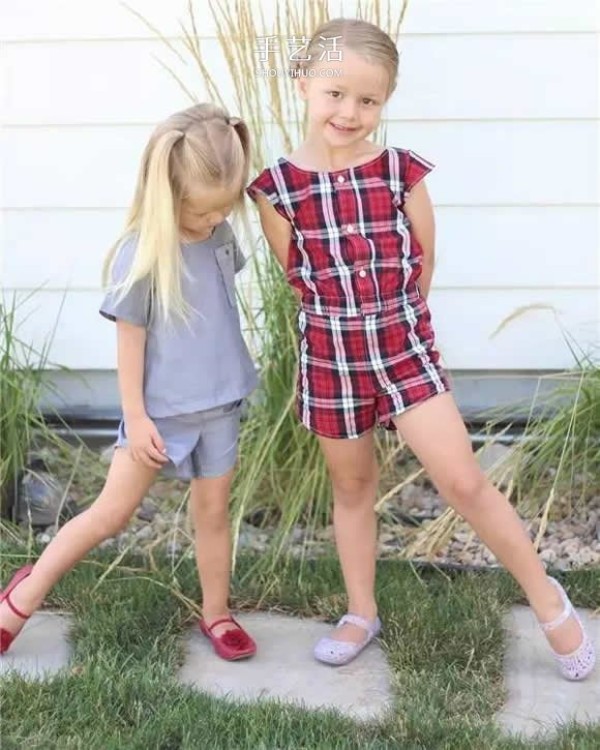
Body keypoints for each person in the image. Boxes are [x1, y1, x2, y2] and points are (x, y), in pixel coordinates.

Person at [246, 18, 596, 678]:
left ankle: (550, 602)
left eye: (369, 100)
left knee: (463, 479)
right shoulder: (277, 191)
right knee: (351, 486)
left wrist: (395, 327)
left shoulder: (399, 172)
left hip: (404, 348)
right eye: (335, 93)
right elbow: (301, 279)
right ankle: (360, 610)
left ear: (386, 103)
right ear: (303, 84)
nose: (350, 112)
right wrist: (344, 333)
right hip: (331, 356)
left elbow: (423, 263)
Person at [1, 103, 259, 661]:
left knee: (213, 513)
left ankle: (217, 612)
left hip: (219, 405)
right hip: (159, 414)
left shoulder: (218, 234)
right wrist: (137, 418)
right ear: (167, 195)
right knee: (110, 514)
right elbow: (130, 345)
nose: (214, 220)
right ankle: (23, 595)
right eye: (201, 211)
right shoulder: (140, 255)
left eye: (223, 209)